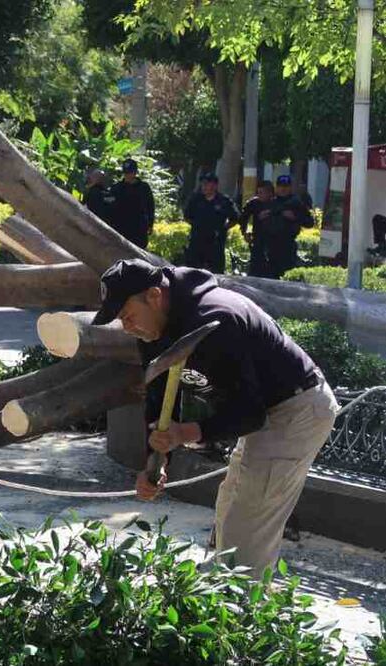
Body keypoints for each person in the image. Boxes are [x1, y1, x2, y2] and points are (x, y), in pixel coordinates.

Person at [93, 258, 339, 578]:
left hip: (296, 409)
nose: (127, 327)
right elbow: (157, 399)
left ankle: (242, 608)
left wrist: (187, 433)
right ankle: (226, 592)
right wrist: (155, 461)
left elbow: (249, 414)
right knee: (230, 503)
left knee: (247, 525)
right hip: (264, 409)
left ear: (154, 296)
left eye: (127, 316)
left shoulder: (218, 318)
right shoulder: (153, 330)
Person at [182, 172, 240, 273]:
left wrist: (223, 228)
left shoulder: (224, 201)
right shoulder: (195, 199)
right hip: (197, 241)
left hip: (215, 242)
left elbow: (235, 218)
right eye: (203, 184)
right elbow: (187, 216)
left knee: (216, 272)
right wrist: (198, 226)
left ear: (215, 185)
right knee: (193, 271)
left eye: (207, 184)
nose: (204, 187)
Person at [108, 159, 155, 249]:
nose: (128, 175)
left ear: (135, 172)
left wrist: (150, 224)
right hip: (121, 228)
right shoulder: (116, 188)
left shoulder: (144, 188)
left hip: (139, 229)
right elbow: (110, 208)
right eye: (126, 173)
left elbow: (150, 206)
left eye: (130, 172)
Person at [274, 174, 315, 272]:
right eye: (280, 186)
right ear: (276, 187)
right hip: (270, 244)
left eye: (286, 186)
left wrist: (295, 217)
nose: (283, 189)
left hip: (288, 244)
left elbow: (309, 222)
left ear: (290, 188)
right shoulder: (270, 201)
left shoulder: (296, 203)